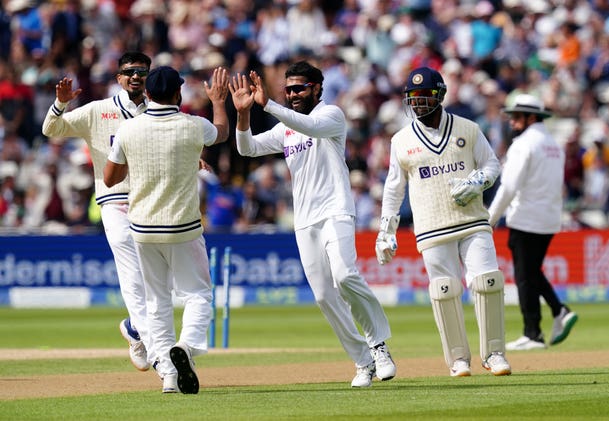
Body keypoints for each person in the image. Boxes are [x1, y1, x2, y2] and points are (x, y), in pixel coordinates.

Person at [228, 61, 396, 388]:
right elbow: (246, 148)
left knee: (345, 274)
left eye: (299, 88)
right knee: (322, 296)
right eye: (288, 89)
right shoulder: (285, 128)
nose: (292, 94)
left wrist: (269, 105)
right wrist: (245, 114)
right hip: (305, 221)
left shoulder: (331, 115)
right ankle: (363, 361)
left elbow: (311, 128)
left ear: (317, 88)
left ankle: (378, 345)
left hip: (336, 209)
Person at [376, 66, 511, 377]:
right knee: (444, 290)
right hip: (431, 227)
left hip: (473, 220)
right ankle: (458, 360)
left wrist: (478, 181)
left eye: (425, 96)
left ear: (440, 95)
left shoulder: (467, 129)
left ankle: (494, 353)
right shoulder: (401, 140)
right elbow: (394, 188)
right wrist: (386, 230)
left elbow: (491, 164)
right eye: (414, 97)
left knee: (488, 281)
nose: (419, 103)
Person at [103, 65, 230, 393]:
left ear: (146, 94)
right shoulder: (192, 126)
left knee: (156, 302)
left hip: (143, 229)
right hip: (183, 227)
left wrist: (138, 162)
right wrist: (217, 101)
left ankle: (170, 378)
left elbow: (109, 179)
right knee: (199, 294)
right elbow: (222, 133)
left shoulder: (129, 129)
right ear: (178, 94)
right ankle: (186, 347)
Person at [41, 52, 154, 371]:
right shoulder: (98, 111)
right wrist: (60, 104)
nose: (135, 77)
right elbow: (52, 129)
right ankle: (159, 350)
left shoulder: (158, 111)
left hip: (151, 201)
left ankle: (135, 327)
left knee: (157, 276)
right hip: (114, 199)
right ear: (118, 77)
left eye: (142, 72)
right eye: (129, 72)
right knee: (131, 268)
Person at [488, 94, 578, 351]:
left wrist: (490, 219)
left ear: (531, 117)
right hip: (549, 218)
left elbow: (508, 188)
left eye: (517, 117)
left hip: (526, 218)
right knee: (531, 271)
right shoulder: (553, 144)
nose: (513, 122)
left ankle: (533, 333)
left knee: (525, 277)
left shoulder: (523, 144)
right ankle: (559, 311)